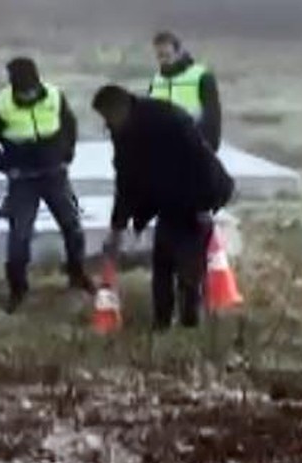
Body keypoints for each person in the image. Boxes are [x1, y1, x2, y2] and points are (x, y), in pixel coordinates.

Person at [92, 84, 236, 330]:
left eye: (107, 116)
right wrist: (118, 227)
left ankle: (190, 323)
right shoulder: (124, 130)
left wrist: (203, 206)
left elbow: (200, 160)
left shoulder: (167, 119)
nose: (107, 123)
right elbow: (126, 179)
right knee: (163, 263)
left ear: (121, 106)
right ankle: (162, 323)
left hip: (197, 195)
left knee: (188, 266)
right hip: (169, 200)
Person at [0, 56, 92, 311]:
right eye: (23, 91)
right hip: (23, 181)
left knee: (72, 226)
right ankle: (18, 289)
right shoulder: (0, 105)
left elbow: (69, 125)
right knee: (20, 236)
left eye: (31, 89)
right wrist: (5, 166)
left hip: (55, 174)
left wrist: (67, 153)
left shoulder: (54, 95)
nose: (29, 94)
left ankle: (77, 275)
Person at [147, 31, 222, 150]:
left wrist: (210, 147)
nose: (163, 60)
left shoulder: (201, 76)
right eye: (159, 55)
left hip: (194, 147)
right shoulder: (156, 81)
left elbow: (213, 116)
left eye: (167, 55)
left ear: (178, 53)